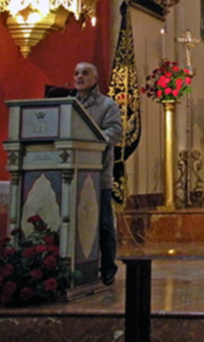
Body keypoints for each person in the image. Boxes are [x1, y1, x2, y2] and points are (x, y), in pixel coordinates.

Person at [73, 62, 122, 285]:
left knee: (103, 224)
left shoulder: (107, 105)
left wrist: (91, 138)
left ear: (95, 79)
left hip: (98, 175)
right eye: (76, 73)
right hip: (73, 174)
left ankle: (108, 266)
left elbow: (115, 131)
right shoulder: (70, 105)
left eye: (85, 73)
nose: (79, 77)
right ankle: (78, 266)